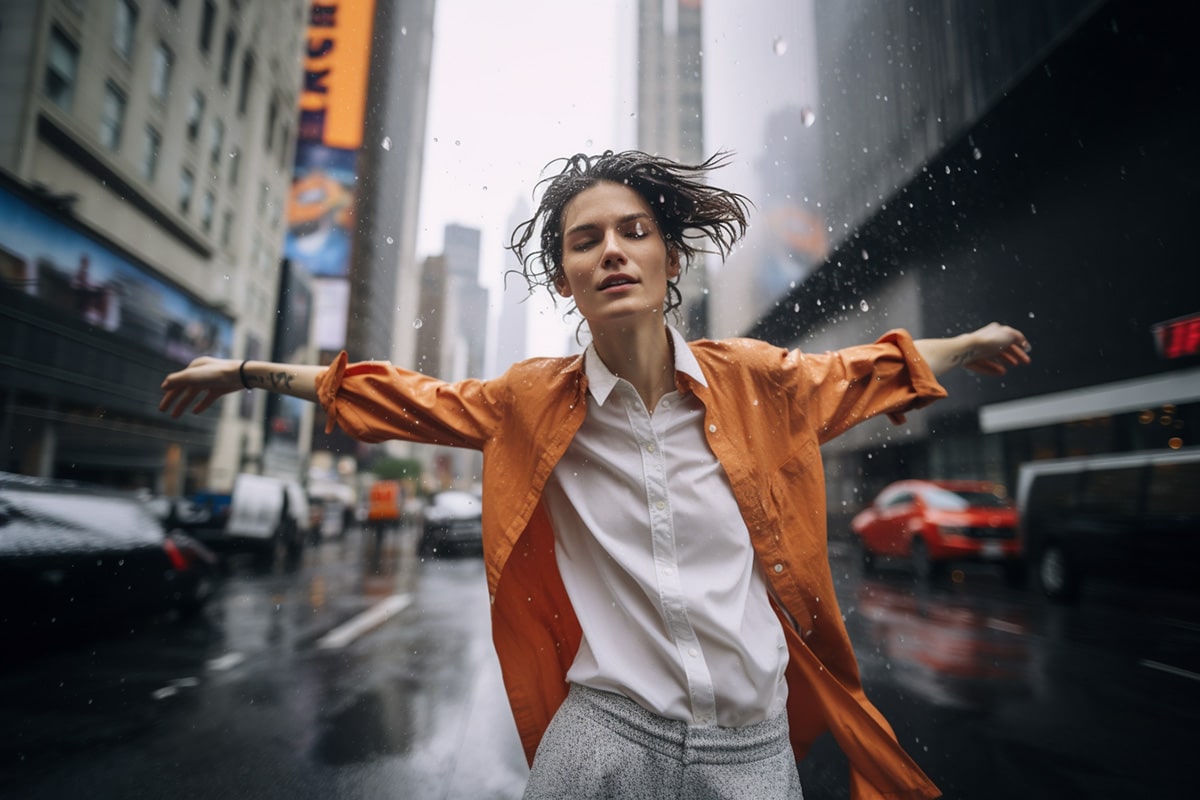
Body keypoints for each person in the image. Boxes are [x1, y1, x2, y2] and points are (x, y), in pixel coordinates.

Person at [161, 150, 1031, 800]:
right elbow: (396, 396)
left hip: (750, 750)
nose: (611, 250)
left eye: (633, 232)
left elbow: (870, 369)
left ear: (670, 260)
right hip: (602, 733)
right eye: (586, 242)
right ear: (566, 279)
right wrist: (244, 372)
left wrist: (969, 344)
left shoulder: (757, 381)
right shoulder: (529, 401)